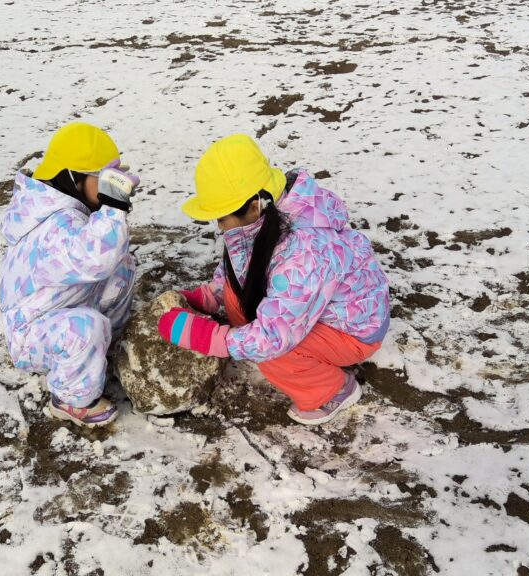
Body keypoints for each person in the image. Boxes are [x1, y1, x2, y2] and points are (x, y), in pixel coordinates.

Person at [157, 134, 390, 425]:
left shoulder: (305, 252)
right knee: (241, 306)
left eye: (220, 217)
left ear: (253, 206)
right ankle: (312, 360)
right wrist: (212, 295)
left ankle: (334, 390)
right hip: (316, 306)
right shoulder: (268, 212)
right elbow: (243, 263)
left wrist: (209, 339)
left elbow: (274, 338)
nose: (218, 225)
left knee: (274, 354)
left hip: (353, 329)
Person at [0, 122, 139, 427]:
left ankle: (102, 348)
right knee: (85, 328)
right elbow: (95, 258)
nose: (108, 188)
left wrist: (109, 210)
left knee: (122, 266)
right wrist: (113, 209)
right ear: (74, 178)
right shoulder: (52, 227)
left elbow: (105, 258)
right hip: (32, 333)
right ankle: (72, 399)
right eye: (103, 179)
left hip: (59, 307)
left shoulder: (60, 208)